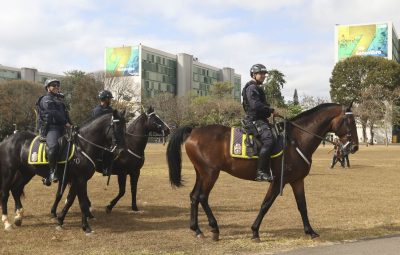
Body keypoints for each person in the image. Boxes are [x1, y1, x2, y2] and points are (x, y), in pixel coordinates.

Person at [242, 63, 278, 182]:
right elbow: (255, 105)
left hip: (260, 119)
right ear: (253, 74)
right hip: (254, 120)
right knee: (269, 140)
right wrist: (271, 110)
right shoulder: (252, 87)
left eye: (264, 74)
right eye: (260, 73)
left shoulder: (256, 87)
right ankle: (261, 172)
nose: (263, 76)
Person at [37, 79, 71, 186]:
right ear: (48, 87)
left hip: (62, 127)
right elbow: (52, 112)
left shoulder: (59, 101)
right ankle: (51, 172)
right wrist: (65, 123)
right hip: (51, 128)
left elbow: (65, 115)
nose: (57, 87)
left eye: (58, 85)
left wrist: (71, 124)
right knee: (54, 146)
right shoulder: (46, 99)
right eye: (54, 85)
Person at [91, 90, 114, 176]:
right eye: (109, 98)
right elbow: (96, 125)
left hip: (109, 133)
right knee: (106, 149)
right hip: (98, 134)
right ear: (105, 99)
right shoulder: (97, 110)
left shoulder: (111, 109)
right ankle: (105, 167)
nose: (110, 100)